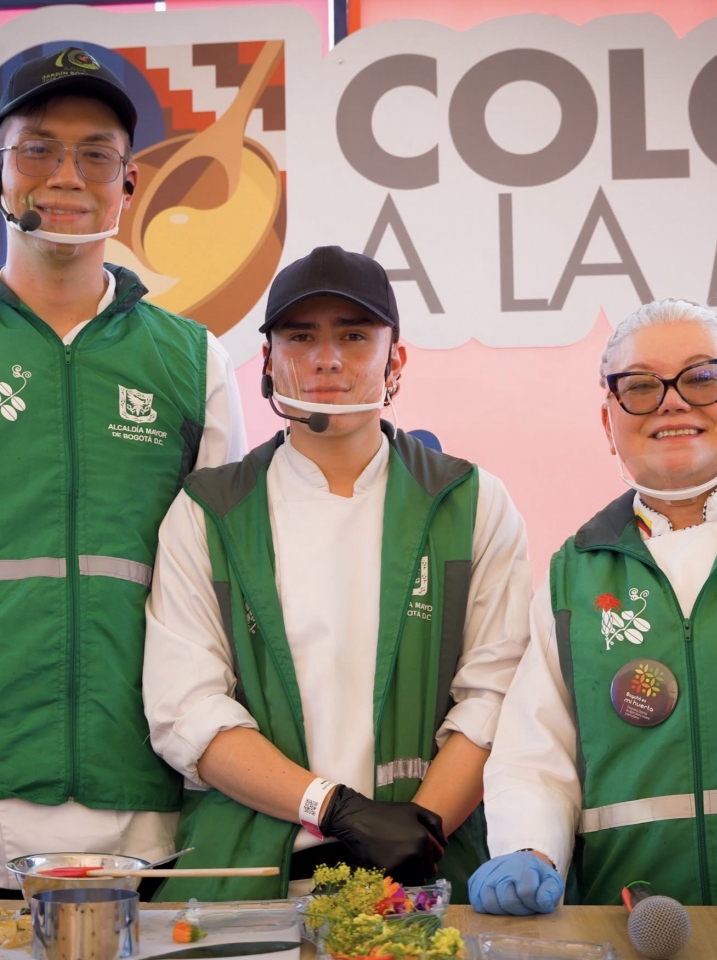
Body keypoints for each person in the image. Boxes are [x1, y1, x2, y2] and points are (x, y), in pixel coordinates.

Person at [143, 245, 532, 902]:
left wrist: (419, 832)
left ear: (395, 358)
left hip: (424, 878)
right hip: (252, 880)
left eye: (354, 336)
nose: (326, 359)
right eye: (301, 336)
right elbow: (187, 710)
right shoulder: (209, 511)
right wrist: (337, 808)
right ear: (266, 362)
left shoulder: (471, 501)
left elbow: (497, 696)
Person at [0, 48, 246, 895]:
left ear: (129, 184)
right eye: (38, 147)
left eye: (95, 153)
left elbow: (229, 586)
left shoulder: (191, 359)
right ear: (2, 170)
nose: (65, 175)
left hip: (148, 804)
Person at [469, 298, 717, 914]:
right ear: (607, 422)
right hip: (631, 924)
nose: (672, 400)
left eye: (703, 377)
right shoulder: (572, 575)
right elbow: (536, 751)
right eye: (639, 386)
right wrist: (528, 850)